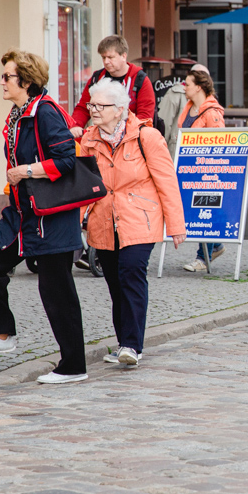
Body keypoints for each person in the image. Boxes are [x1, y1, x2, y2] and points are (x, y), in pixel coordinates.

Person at [0, 50, 86, 383]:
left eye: (7, 76)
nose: (2, 82)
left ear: (26, 80)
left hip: (51, 217)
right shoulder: (17, 114)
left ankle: (74, 366)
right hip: (21, 215)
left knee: (57, 292)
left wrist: (26, 170)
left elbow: (66, 161)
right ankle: (2, 335)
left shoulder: (46, 113)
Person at [79, 79, 187, 367]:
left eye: (100, 106)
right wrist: (79, 220)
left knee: (131, 273)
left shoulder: (147, 136)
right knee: (115, 283)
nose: (94, 110)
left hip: (140, 218)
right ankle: (123, 342)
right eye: (92, 105)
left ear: (119, 109)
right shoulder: (88, 140)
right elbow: (82, 185)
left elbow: (167, 181)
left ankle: (131, 345)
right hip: (104, 221)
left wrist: (176, 224)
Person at [179, 70, 227, 273]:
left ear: (199, 86)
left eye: (187, 83)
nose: (184, 86)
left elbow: (220, 144)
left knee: (205, 211)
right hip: (190, 170)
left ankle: (203, 257)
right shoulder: (189, 109)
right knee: (197, 211)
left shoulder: (212, 113)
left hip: (207, 172)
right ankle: (214, 247)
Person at [70, 35, 157, 138]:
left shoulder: (140, 80)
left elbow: (145, 117)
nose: (106, 62)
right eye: (103, 57)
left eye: (110, 57)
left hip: (131, 139)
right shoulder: (97, 78)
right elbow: (83, 108)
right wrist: (75, 126)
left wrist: (126, 135)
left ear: (123, 56)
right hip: (100, 138)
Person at [157, 63, 210, 152]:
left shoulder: (211, 103)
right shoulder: (176, 93)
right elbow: (163, 124)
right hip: (174, 151)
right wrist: (159, 151)